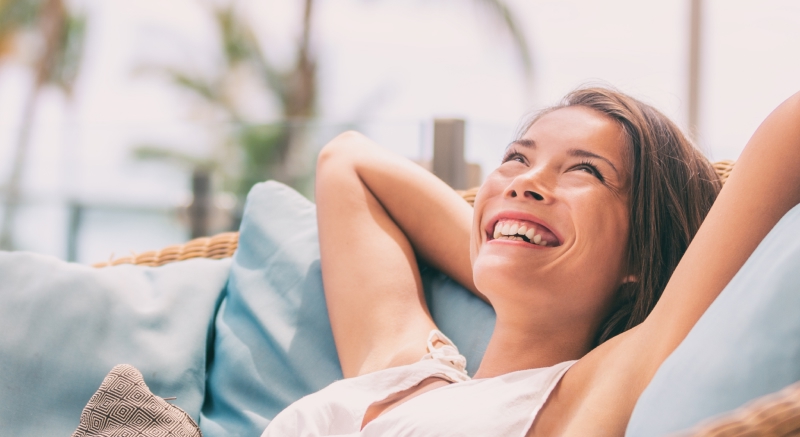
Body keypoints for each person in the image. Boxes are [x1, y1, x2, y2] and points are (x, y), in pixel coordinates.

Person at [263, 87, 800, 436]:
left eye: (585, 170)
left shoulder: (587, 395)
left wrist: (529, 245)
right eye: (517, 158)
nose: (525, 181)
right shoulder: (405, 371)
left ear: (640, 254)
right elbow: (347, 159)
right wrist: (508, 243)